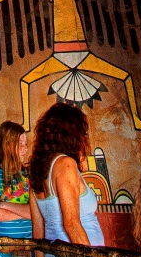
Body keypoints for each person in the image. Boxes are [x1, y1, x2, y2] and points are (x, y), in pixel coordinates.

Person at [28, 103, 105, 247]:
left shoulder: (38, 169)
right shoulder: (65, 164)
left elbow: (38, 232)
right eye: (82, 132)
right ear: (71, 134)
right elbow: (71, 224)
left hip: (55, 256)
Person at [0, 121, 33, 239]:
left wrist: (4, 205)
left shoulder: (29, 174)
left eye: (26, 144)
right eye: (20, 144)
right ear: (8, 145)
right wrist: (24, 214)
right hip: (2, 243)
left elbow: (35, 211)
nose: (25, 149)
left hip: (29, 243)